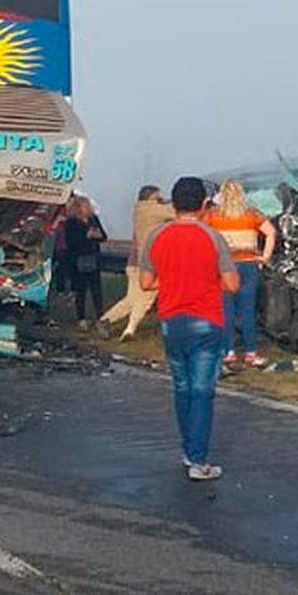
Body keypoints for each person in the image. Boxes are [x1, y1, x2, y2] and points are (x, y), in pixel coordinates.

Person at [140, 176, 241, 481]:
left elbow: (146, 283)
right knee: (202, 391)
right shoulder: (212, 237)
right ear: (203, 204)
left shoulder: (157, 236)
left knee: (182, 387)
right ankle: (199, 460)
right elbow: (232, 284)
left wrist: (172, 281)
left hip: (171, 319)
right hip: (206, 319)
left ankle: (188, 452)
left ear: (174, 203)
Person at [206, 180, 277, 367]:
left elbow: (203, 235)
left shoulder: (213, 215)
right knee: (247, 310)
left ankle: (228, 351)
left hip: (224, 266)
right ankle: (251, 352)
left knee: (225, 309)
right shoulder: (251, 214)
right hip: (248, 265)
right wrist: (265, 257)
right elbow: (271, 232)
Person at [101, 185, 174, 340]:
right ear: (151, 197)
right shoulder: (153, 209)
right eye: (157, 196)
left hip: (134, 262)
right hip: (149, 262)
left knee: (132, 298)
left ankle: (106, 319)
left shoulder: (139, 210)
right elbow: (177, 212)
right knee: (146, 298)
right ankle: (130, 329)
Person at [65, 196, 108, 331]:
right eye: (85, 206)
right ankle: (81, 318)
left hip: (93, 256)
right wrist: (86, 236)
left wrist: (97, 235)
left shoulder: (93, 219)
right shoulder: (71, 222)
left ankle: (100, 317)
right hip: (78, 258)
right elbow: (70, 242)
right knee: (81, 290)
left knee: (96, 289)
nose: (88, 208)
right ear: (78, 208)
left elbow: (104, 236)